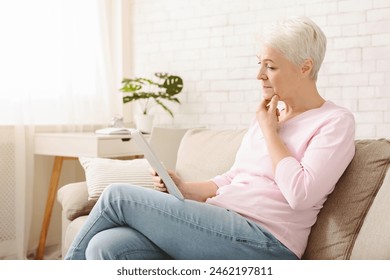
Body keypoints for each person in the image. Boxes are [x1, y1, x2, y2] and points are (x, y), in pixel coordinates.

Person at [65, 16, 355, 260]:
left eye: (270, 66)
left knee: (117, 196)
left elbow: (301, 194)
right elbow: (234, 177)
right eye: (259, 64)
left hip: (268, 243)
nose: (259, 75)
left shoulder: (334, 122)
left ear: (304, 67)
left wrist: (270, 132)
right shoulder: (269, 115)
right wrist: (183, 187)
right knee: (106, 246)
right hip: (223, 223)